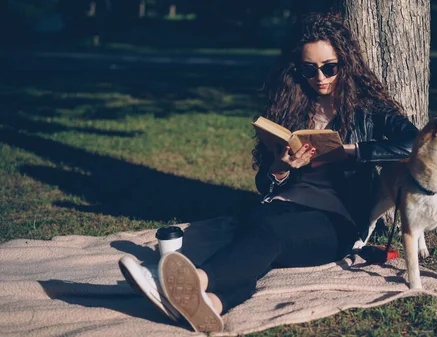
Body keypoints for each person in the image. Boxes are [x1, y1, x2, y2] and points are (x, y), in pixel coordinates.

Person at [119, 12, 419, 333]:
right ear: (297, 70)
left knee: (268, 237)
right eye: (309, 69)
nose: (320, 78)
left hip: (337, 221)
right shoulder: (291, 106)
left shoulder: (367, 108)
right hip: (282, 205)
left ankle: (190, 280)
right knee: (255, 240)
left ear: (346, 62)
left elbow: (414, 141)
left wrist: (351, 151)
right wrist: (279, 168)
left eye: (330, 67)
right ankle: (211, 306)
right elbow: (265, 184)